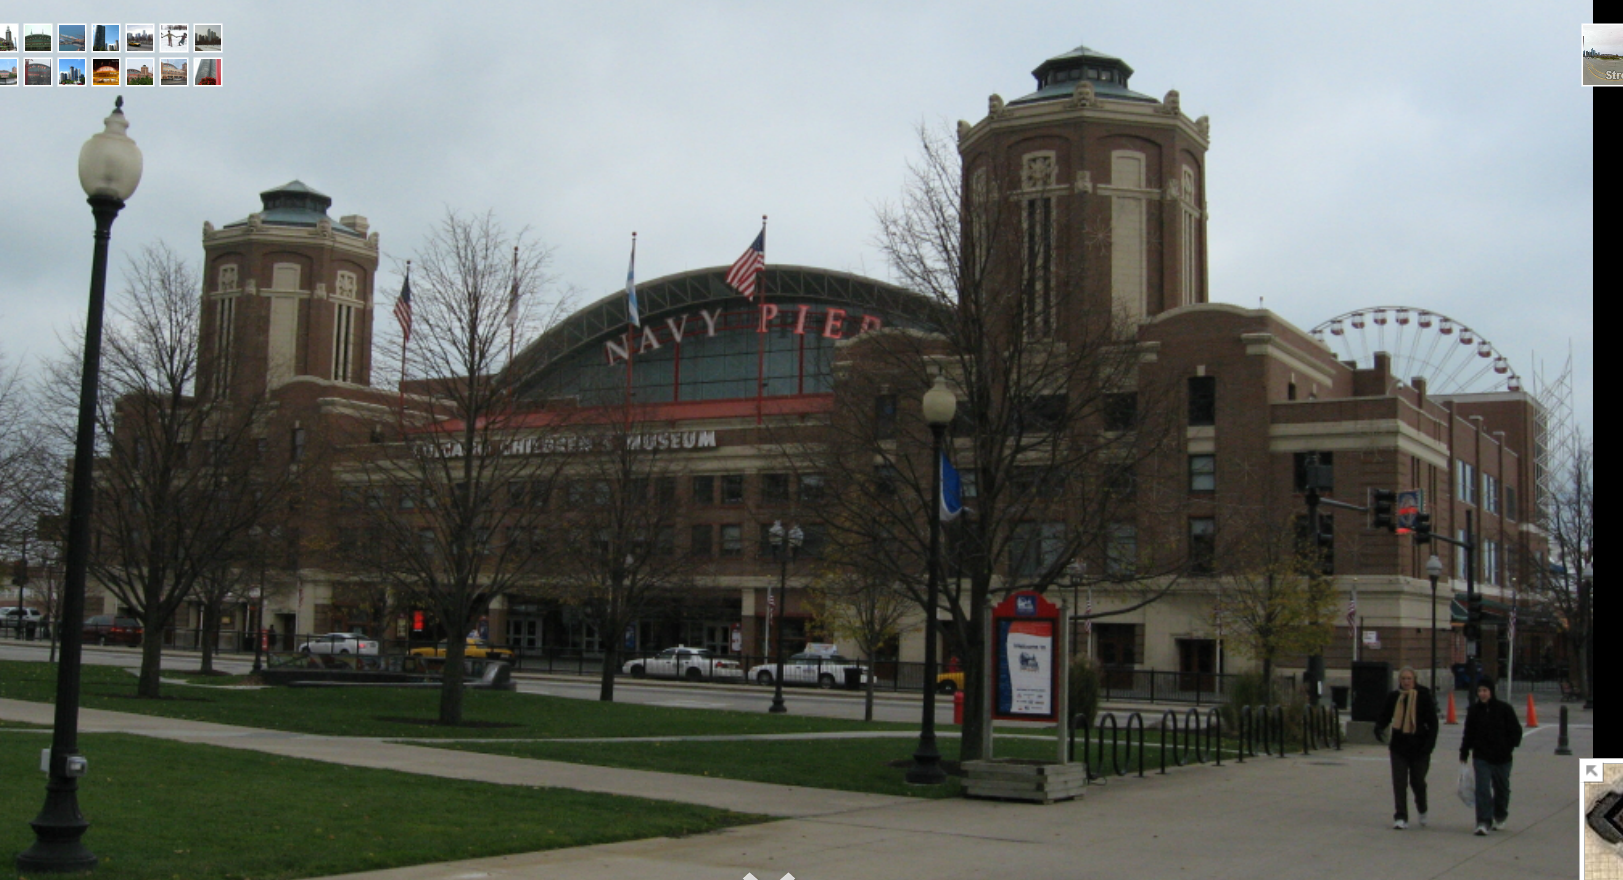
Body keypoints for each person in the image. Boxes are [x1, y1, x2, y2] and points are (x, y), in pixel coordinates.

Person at [1375, 666, 1438, 829]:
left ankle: (1422, 808)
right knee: (1399, 782)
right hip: (1399, 746)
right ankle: (1401, 816)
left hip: (1420, 747)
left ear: (1414, 680)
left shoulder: (1423, 697)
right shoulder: (1394, 697)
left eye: (1409, 678)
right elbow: (1385, 716)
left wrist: (1429, 746)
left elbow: (1433, 724)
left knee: (1417, 781)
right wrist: (1379, 727)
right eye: (1403, 679)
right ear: (1399, 681)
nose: (1406, 682)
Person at [1460, 676, 1523, 835]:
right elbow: (1468, 733)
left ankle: (1500, 815)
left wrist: (1509, 746)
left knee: (1502, 789)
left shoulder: (1504, 709)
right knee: (1482, 789)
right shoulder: (1473, 711)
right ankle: (1483, 821)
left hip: (1502, 758)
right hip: (1481, 756)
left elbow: (1516, 731)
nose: (1482, 694)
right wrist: (1464, 752)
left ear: (1491, 692)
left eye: (1485, 691)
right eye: (1480, 691)